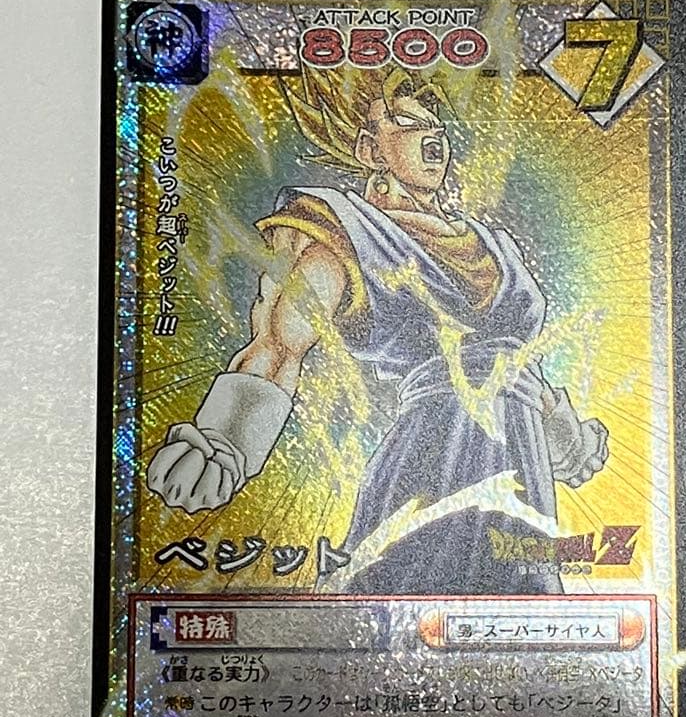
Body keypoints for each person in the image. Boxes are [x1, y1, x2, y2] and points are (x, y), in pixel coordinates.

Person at [147, 63, 608, 595]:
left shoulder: (494, 245)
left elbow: (512, 366)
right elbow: (280, 342)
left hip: (521, 472)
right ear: (370, 149)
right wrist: (222, 442)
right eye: (407, 124)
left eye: (435, 126)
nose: (432, 138)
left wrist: (562, 435)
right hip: (434, 452)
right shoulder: (349, 231)